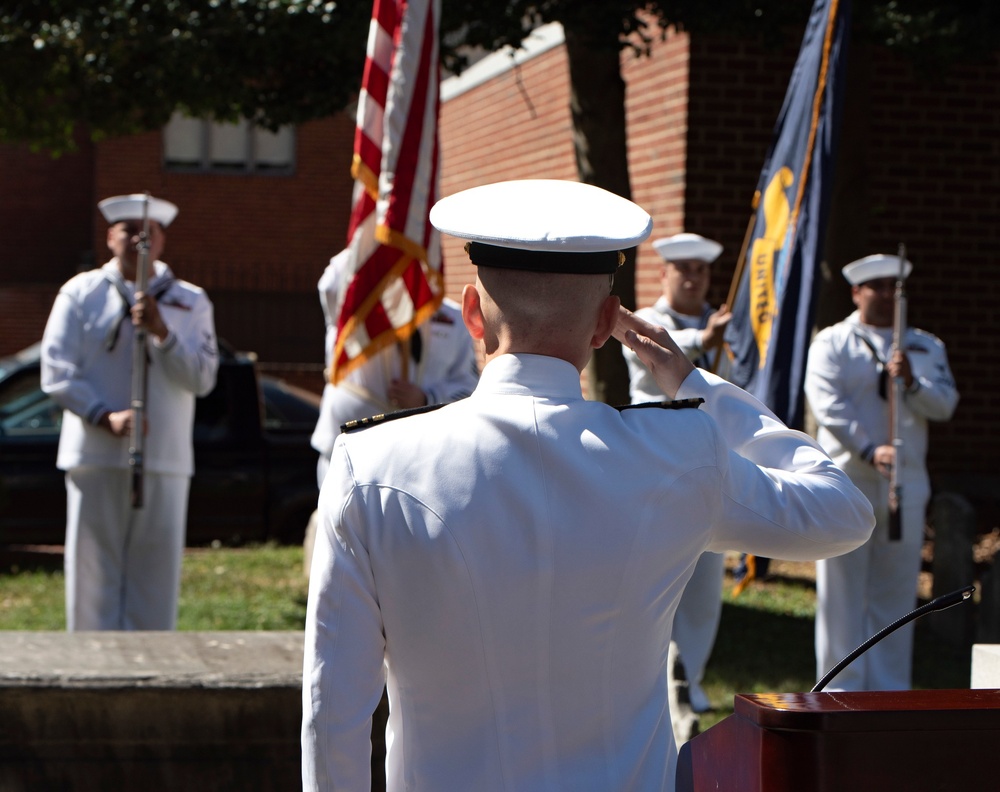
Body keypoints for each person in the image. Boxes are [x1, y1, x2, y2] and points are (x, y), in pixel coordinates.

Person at [301, 179, 874, 792]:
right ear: (606, 324)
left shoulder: (372, 462)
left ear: (472, 313)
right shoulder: (678, 453)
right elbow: (842, 512)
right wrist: (695, 384)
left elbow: (331, 713)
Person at [41, 194, 218, 631]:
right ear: (110, 237)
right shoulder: (80, 293)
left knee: (155, 574)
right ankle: (92, 670)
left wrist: (164, 333)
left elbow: (202, 379)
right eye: (128, 231)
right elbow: (57, 371)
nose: (139, 240)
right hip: (95, 456)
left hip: (164, 458)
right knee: (91, 571)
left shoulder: (190, 302)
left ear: (161, 242)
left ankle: (149, 670)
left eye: (149, 233)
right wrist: (103, 416)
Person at [806, 253, 958, 691]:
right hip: (846, 481)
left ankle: (889, 693)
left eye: (896, 287)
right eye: (878, 286)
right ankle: (838, 691)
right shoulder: (832, 343)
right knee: (842, 592)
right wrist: (870, 448)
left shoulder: (925, 346)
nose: (889, 295)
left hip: (905, 484)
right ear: (857, 292)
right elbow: (828, 406)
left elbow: (945, 404)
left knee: (895, 592)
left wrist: (912, 382)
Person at [622, 233, 732, 723]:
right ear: (664, 273)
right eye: (682, 268)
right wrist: (703, 341)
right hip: (658, 469)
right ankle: (655, 685)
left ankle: (694, 682)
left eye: (701, 270)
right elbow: (655, 351)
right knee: (660, 583)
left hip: (708, 467)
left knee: (705, 590)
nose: (692, 278)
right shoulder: (649, 321)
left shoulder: (723, 325)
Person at [309, 249, 479, 488]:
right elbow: (329, 283)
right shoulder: (357, 301)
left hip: (416, 459)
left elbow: (469, 389)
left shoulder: (452, 319)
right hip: (344, 451)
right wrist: (379, 233)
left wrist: (427, 398)